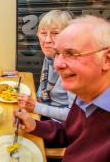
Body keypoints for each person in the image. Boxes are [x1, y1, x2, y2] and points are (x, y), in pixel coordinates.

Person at [15, 15, 110, 161]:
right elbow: (68, 133)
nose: (57, 64)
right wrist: (35, 125)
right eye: (58, 54)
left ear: (106, 59)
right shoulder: (85, 94)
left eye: (71, 54)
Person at [18, 10, 75, 121]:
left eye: (55, 33)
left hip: (60, 127)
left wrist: (36, 107)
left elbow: (74, 116)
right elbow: (44, 85)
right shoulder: (50, 56)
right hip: (44, 114)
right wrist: (36, 99)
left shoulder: (73, 68)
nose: (47, 40)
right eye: (43, 33)